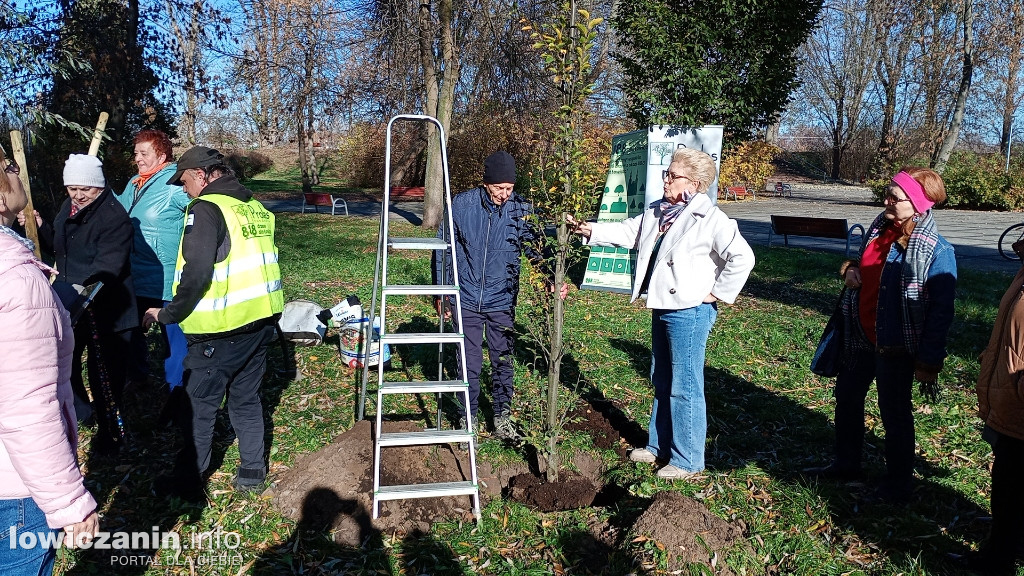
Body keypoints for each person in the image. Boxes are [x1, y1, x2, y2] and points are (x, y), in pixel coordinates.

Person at [569, 148, 754, 480]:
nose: (665, 180)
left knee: (685, 385)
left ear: (694, 184)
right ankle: (658, 445)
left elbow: (743, 257)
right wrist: (587, 229)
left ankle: (687, 459)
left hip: (689, 311)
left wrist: (715, 293)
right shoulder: (660, 211)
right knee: (662, 378)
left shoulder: (710, 219)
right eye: (666, 174)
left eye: (672, 175)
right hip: (663, 307)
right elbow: (629, 233)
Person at [806, 167, 956, 503]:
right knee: (846, 399)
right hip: (860, 336)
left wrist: (929, 360)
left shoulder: (937, 250)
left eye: (895, 197)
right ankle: (846, 464)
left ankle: (898, 484)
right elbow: (860, 262)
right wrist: (851, 270)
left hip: (896, 345)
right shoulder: (878, 228)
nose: (886, 200)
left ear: (918, 204)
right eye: (887, 193)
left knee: (894, 413)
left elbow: (941, 313)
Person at [143, 146, 283, 499]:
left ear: (204, 174)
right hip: (259, 325)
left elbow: (197, 272)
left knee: (199, 410)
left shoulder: (206, 209)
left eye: (186, 181)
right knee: (247, 399)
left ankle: (189, 482)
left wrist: (169, 313)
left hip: (217, 334)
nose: (184, 189)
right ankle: (252, 471)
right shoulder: (253, 207)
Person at [1, 196, 100, 574]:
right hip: (13, 489)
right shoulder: (15, 279)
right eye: (8, 166)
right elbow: (27, 406)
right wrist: (69, 502)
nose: (15, 169)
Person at [23, 154, 138, 456]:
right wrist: (41, 226)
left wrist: (73, 292)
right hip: (73, 305)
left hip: (109, 309)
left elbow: (108, 268)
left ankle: (111, 436)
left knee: (106, 379)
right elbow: (58, 248)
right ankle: (83, 413)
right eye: (72, 188)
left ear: (99, 186)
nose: (78, 194)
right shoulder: (69, 207)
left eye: (85, 188)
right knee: (67, 366)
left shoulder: (114, 217)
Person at [432, 150, 541, 440]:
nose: (504, 194)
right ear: (485, 183)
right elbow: (444, 251)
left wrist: (549, 280)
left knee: (502, 359)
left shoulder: (521, 211)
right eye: (498, 188)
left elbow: (536, 251)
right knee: (468, 362)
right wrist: (442, 292)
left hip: (502, 299)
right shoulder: (461, 206)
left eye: (509, 188)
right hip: (465, 297)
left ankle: (502, 417)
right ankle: (466, 417)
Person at [115, 130, 191, 406]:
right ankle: (138, 380)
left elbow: (202, 205)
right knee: (130, 331)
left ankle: (178, 393)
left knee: (174, 340)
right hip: (134, 274)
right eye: (135, 153)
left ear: (162, 155)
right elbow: (118, 210)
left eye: (143, 153)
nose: (137, 158)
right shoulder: (135, 183)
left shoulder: (174, 184)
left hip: (165, 276)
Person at [967, 248, 1024, 575]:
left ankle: (997, 562)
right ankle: (1005, 551)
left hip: (1019, 404)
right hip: (1010, 403)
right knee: (1009, 491)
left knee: (1011, 491)